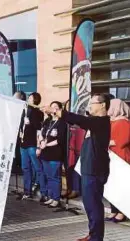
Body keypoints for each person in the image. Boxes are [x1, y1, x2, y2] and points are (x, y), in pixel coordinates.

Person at [45, 93, 111, 241]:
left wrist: (58, 111)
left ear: (103, 105)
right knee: (90, 205)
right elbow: (82, 121)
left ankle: (96, 237)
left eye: (93, 103)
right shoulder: (95, 122)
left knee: (94, 206)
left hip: (94, 170)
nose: (90, 106)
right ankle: (93, 234)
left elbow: (80, 120)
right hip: (89, 169)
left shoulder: (101, 121)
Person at [37, 101, 66, 208]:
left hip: (55, 153)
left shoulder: (62, 122)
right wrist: (40, 144)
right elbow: (41, 133)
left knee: (55, 177)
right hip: (45, 153)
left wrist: (46, 145)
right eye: (51, 106)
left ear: (60, 109)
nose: (53, 109)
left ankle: (56, 199)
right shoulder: (47, 121)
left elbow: (59, 140)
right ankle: (51, 196)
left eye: (55, 107)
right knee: (48, 176)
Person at [105, 99, 130, 223]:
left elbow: (122, 141)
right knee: (111, 186)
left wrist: (103, 142)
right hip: (110, 156)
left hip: (120, 157)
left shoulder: (123, 122)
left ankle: (121, 212)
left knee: (120, 186)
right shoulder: (111, 121)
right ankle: (113, 210)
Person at [18, 92, 46, 201]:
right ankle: (27, 191)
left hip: (32, 143)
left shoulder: (37, 112)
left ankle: (43, 192)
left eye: (31, 98)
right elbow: (21, 125)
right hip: (23, 143)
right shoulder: (24, 111)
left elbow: (39, 127)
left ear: (35, 100)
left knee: (37, 167)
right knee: (25, 168)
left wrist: (30, 122)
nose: (29, 100)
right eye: (28, 98)